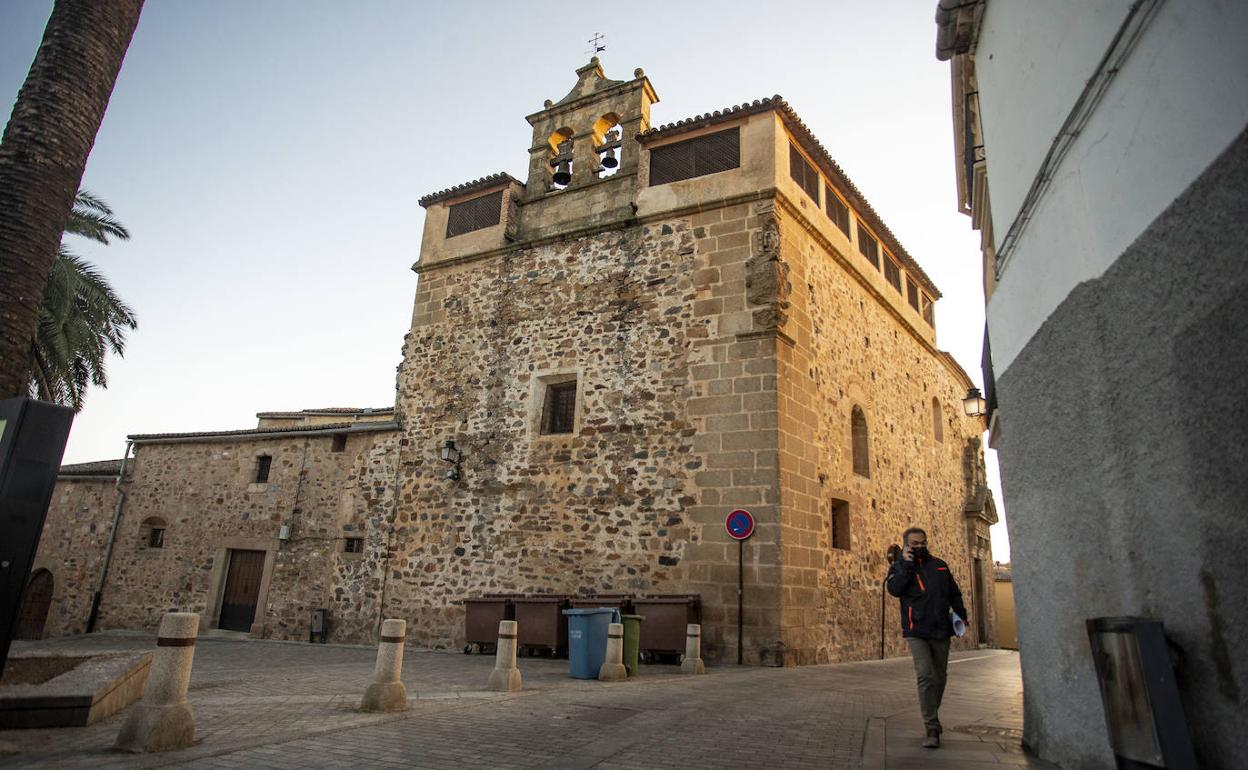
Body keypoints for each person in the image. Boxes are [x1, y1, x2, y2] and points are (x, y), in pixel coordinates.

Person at [886, 526, 968, 749]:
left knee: (939, 677)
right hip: (916, 630)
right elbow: (894, 589)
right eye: (915, 544)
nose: (920, 547)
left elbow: (953, 592)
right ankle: (931, 726)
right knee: (925, 675)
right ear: (906, 545)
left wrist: (961, 615)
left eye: (923, 543)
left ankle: (932, 713)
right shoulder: (899, 567)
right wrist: (906, 565)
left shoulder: (940, 566)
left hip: (941, 628)